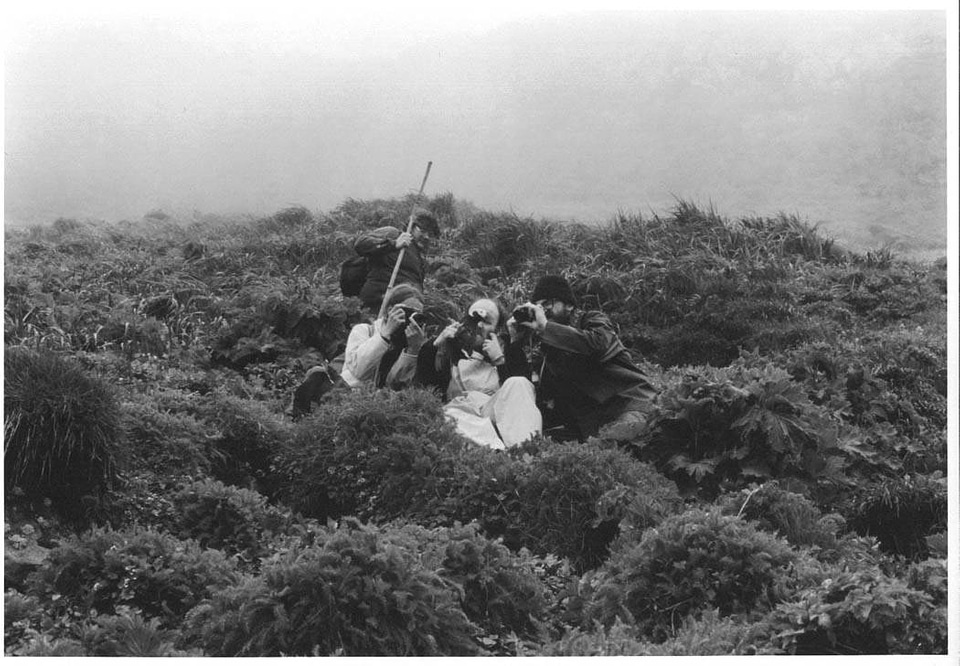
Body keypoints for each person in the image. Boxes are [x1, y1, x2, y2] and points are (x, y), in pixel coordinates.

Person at [506, 275, 656, 442]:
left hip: (630, 405)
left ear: (569, 305)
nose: (543, 311)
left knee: (612, 442)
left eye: (547, 304)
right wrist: (515, 343)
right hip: (591, 426)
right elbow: (534, 395)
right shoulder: (547, 350)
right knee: (535, 445)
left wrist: (547, 328)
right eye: (538, 307)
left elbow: (597, 345)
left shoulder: (592, 321)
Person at [415, 298, 541, 450]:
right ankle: (500, 452)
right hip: (462, 414)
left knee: (518, 382)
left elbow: (522, 398)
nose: (479, 325)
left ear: (497, 329)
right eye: (474, 319)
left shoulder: (508, 353)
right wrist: (434, 346)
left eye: (487, 322)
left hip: (494, 413)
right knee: (448, 418)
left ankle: (525, 453)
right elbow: (423, 390)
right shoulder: (449, 353)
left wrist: (500, 360)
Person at [340, 284, 427, 389]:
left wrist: (413, 350)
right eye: (408, 311)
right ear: (390, 310)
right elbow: (359, 371)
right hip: (353, 397)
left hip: (384, 402)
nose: (411, 318)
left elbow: (397, 384)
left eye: (416, 315)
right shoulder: (364, 331)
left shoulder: (413, 341)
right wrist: (385, 335)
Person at [354, 209, 440, 314]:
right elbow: (360, 244)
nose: (426, 237)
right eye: (422, 230)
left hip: (402, 309)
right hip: (377, 304)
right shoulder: (394, 233)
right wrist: (394, 244)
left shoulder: (419, 257)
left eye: (430, 234)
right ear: (411, 227)